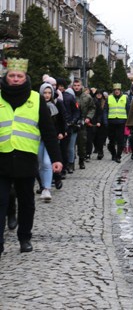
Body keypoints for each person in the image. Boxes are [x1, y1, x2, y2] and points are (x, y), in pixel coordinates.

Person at [0, 58, 63, 257]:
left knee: (27, 202)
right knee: (0, 201)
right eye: (12, 76)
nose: (16, 79)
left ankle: (24, 237)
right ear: (6, 77)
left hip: (26, 160)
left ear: (25, 77)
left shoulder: (35, 99)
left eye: (19, 76)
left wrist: (56, 158)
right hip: (2, 158)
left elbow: (48, 131)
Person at [37, 82, 66, 202]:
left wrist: (61, 132)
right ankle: (42, 185)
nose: (47, 95)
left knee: (47, 162)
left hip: (51, 138)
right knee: (40, 163)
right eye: (45, 92)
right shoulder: (36, 105)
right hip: (37, 138)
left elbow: (61, 120)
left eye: (49, 93)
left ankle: (47, 189)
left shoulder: (57, 105)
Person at [56, 78, 78, 175]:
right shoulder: (53, 96)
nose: (60, 87)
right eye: (58, 85)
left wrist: (72, 121)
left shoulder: (69, 97)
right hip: (57, 126)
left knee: (66, 148)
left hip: (68, 126)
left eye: (62, 86)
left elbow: (76, 111)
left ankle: (66, 166)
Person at [71, 78, 95, 169]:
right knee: (71, 145)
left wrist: (88, 117)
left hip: (82, 122)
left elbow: (92, 108)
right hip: (72, 123)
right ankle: (71, 162)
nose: (76, 87)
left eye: (78, 85)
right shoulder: (70, 96)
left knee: (82, 143)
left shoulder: (87, 97)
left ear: (81, 86)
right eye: (75, 85)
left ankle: (81, 160)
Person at [107, 84, 130, 163]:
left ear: (120, 90)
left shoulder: (125, 98)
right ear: (113, 90)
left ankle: (118, 156)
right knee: (111, 141)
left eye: (118, 89)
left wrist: (128, 121)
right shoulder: (109, 98)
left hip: (121, 122)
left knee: (120, 140)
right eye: (115, 89)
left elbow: (128, 110)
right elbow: (105, 110)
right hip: (111, 122)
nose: (117, 91)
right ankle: (113, 154)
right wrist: (105, 121)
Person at [90, 89, 108, 160]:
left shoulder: (105, 102)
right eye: (97, 93)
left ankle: (100, 152)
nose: (99, 95)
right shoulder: (93, 101)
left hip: (102, 123)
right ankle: (97, 149)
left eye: (100, 94)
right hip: (94, 122)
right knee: (94, 138)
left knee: (101, 139)